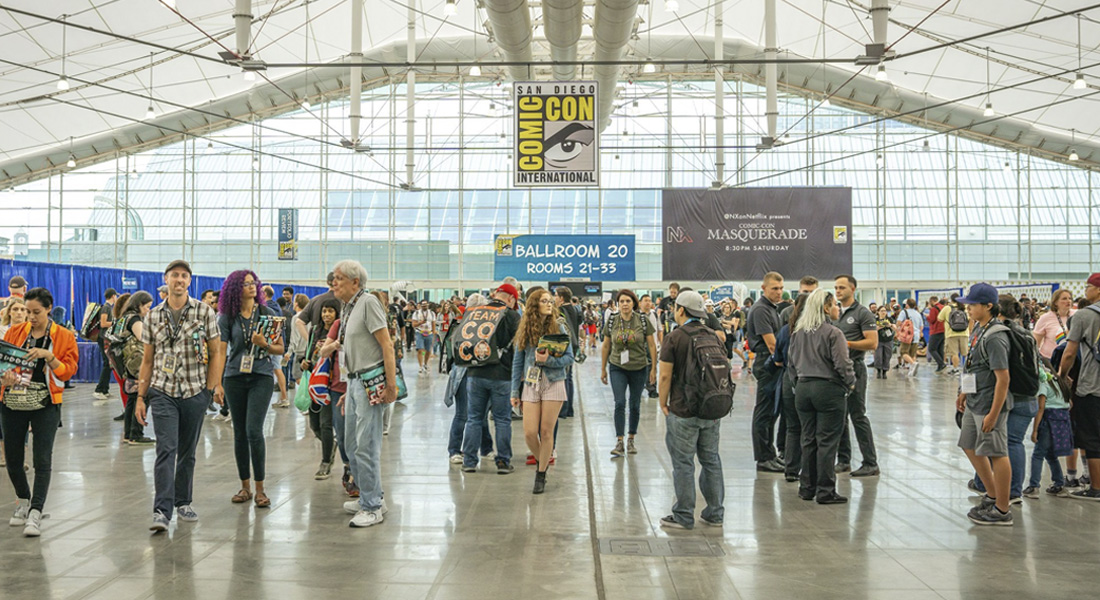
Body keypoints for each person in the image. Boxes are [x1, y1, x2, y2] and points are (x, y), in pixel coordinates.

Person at [135, 260, 226, 533]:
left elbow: (216, 351)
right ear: (166, 280)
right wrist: (141, 396)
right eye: (175, 275)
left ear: (189, 281)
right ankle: (161, 511)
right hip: (162, 391)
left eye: (184, 276)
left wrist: (211, 387)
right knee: (166, 449)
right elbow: (148, 360)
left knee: (187, 452)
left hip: (195, 390)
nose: (180, 280)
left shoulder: (204, 312)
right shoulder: (153, 316)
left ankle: (183, 501)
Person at [321, 260, 397, 528]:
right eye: (333, 278)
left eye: (339, 278)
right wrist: (349, 388)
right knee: (351, 445)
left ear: (356, 282)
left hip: (369, 382)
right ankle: (371, 494)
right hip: (353, 383)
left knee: (366, 445)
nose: (334, 282)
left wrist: (391, 385)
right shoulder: (349, 307)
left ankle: (372, 506)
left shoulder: (368, 303)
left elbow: (386, 345)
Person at [0, 287, 79, 537]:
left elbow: (68, 371)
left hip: (46, 403)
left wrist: (49, 356)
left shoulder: (64, 336)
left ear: (48, 309)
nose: (30, 317)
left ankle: (36, 510)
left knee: (42, 459)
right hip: (12, 402)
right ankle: (23, 500)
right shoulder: (14, 332)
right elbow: (3, 363)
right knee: (13, 459)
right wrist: (5, 377)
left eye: (36, 312)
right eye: (26, 311)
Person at [656, 290, 725, 529]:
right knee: (711, 460)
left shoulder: (675, 337)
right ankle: (715, 513)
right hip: (712, 408)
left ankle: (684, 515)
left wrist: (662, 403)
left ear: (681, 310)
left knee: (684, 463)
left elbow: (664, 376)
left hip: (683, 410)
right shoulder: (713, 335)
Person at [217, 270, 284, 508]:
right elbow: (220, 350)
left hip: (261, 377)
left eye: (253, 283)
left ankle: (260, 488)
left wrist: (263, 343)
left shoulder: (267, 314)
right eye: (246, 284)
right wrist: (216, 382)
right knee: (239, 433)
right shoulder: (227, 317)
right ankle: (244, 486)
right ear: (235, 289)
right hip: (234, 377)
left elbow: (280, 349)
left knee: (253, 430)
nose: (252, 287)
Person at [788, 289, 855, 504]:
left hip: (803, 388)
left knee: (808, 439)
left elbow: (791, 364)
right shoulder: (834, 333)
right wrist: (850, 383)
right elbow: (843, 364)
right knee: (827, 441)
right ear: (825, 308)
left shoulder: (798, 333)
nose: (838, 308)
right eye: (834, 304)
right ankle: (826, 490)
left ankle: (807, 487)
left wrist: (797, 384)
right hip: (828, 389)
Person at [955, 283, 1014, 525]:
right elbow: (973, 365)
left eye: (972, 304)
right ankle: (991, 493)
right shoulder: (979, 328)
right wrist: (964, 391)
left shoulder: (995, 336)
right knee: (969, 445)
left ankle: (1002, 509)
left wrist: (993, 413)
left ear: (988, 306)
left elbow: (1003, 378)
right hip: (975, 401)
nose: (967, 308)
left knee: (996, 453)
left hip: (991, 404)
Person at [511, 289, 574, 494]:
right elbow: (517, 361)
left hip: (554, 381)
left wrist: (550, 360)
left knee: (546, 431)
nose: (549, 304)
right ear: (534, 305)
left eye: (550, 300)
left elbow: (570, 358)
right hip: (531, 382)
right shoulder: (525, 328)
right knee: (529, 433)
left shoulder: (560, 326)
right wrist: (514, 390)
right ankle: (543, 461)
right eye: (544, 301)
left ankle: (541, 474)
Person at [462, 283, 521, 475]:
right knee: (502, 420)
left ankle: (469, 461)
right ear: (511, 299)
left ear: (496, 294)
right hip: (502, 375)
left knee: (474, 419)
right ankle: (503, 461)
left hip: (476, 373)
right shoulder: (512, 316)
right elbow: (519, 346)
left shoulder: (476, 312)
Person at [1057, 273, 1100, 501]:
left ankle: (1096, 488)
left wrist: (1062, 376)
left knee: (1092, 438)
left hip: (1092, 386)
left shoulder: (1085, 315)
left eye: (1089, 287)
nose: (1085, 290)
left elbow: (1070, 352)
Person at [600, 289, 657, 457]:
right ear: (618, 304)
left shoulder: (643, 320)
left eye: (628, 301)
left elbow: (652, 345)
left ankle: (631, 438)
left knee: (634, 403)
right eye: (622, 301)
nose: (625, 304)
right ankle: (619, 441)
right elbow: (606, 345)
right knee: (619, 402)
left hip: (639, 367)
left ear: (634, 303)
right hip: (617, 366)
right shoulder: (612, 321)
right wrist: (603, 368)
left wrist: (654, 368)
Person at [833, 275, 880, 478]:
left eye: (842, 287)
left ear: (853, 289)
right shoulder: (834, 313)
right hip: (837, 371)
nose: (838, 291)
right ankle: (843, 460)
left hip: (855, 369)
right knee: (840, 416)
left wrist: (846, 344)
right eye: (836, 287)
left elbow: (872, 343)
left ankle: (870, 462)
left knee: (858, 415)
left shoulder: (863, 314)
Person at [445, 294, 494, 465]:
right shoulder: (461, 326)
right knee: (463, 414)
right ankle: (454, 450)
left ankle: (486, 447)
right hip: (464, 373)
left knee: (480, 415)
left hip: (481, 373)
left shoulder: (485, 326)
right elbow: (454, 350)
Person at [747, 272, 785, 472]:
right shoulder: (761, 310)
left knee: (771, 412)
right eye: (774, 289)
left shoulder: (772, 309)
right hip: (766, 362)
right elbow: (771, 345)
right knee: (764, 411)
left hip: (772, 362)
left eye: (780, 288)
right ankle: (763, 458)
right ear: (764, 288)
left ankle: (769, 453)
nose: (779, 292)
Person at [109, 291, 154, 445]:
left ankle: (129, 433)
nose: (148, 310)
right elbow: (143, 337)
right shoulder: (134, 319)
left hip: (126, 361)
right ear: (139, 305)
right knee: (141, 395)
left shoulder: (122, 317)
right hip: (137, 361)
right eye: (147, 307)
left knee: (132, 397)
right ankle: (136, 433)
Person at [1023, 359, 1071, 499]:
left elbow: (1041, 408)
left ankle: (1034, 486)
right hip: (1062, 420)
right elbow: (1069, 403)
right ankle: (1059, 484)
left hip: (1048, 421)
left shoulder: (1044, 384)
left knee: (1038, 454)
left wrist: (1035, 430)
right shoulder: (1061, 383)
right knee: (1051, 454)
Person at [93, 288, 118, 402]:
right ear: (113, 296)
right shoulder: (106, 307)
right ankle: (99, 390)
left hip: (105, 338)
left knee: (108, 364)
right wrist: (115, 323)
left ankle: (105, 389)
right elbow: (103, 323)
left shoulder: (108, 308)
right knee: (106, 364)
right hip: (103, 338)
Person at [1034, 289, 1075, 360]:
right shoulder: (1045, 318)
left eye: (1070, 298)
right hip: (1050, 359)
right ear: (1055, 302)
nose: (1068, 301)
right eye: (1064, 299)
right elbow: (1036, 342)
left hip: (1071, 358)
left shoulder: (1076, 315)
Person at [939, 294, 971, 376]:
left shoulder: (947, 308)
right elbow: (970, 318)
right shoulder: (964, 307)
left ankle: (955, 369)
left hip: (951, 333)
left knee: (954, 353)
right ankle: (969, 368)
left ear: (951, 299)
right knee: (965, 353)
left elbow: (939, 318)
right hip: (964, 333)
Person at [896, 299, 923, 374]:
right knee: (912, 353)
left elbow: (898, 322)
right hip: (916, 336)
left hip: (907, 336)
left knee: (903, 352)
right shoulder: (918, 314)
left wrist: (897, 330)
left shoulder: (904, 312)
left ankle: (913, 364)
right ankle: (912, 369)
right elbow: (921, 326)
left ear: (907, 305)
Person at [411, 300, 436, 374]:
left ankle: (425, 363)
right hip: (420, 332)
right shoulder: (416, 313)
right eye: (423, 305)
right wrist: (420, 322)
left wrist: (434, 334)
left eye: (426, 305)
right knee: (420, 350)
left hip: (429, 333)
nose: (424, 306)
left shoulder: (432, 313)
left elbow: (433, 324)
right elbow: (413, 324)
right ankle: (420, 365)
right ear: (421, 305)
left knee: (428, 350)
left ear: (428, 305)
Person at [873, 306, 896, 379]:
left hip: (888, 340)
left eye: (885, 311)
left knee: (887, 356)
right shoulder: (875, 320)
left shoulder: (889, 319)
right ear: (878, 312)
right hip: (878, 340)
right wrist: (881, 326)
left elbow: (895, 328)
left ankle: (885, 371)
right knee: (878, 356)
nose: (883, 312)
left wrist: (890, 325)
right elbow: (872, 329)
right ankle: (879, 370)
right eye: (882, 311)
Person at [927, 296, 948, 373]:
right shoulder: (943, 307)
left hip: (936, 330)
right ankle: (940, 366)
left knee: (931, 349)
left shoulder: (933, 309)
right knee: (940, 349)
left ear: (932, 301)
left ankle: (941, 364)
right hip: (944, 330)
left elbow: (932, 320)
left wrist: (927, 317)